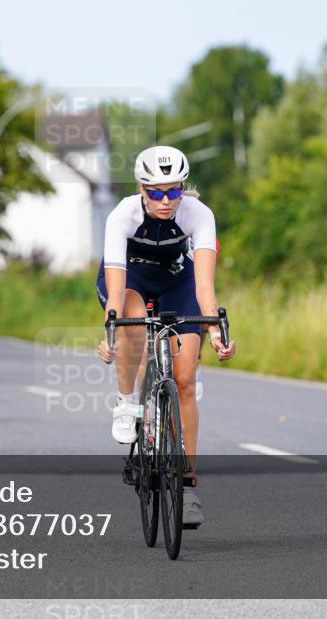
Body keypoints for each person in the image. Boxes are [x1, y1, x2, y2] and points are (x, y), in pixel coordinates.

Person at [95, 145, 236, 528]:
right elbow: (116, 283)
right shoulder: (122, 215)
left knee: (186, 378)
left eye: (173, 190)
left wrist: (214, 330)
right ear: (142, 189)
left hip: (178, 282)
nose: (165, 200)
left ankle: (187, 483)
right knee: (134, 321)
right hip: (132, 282)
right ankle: (127, 403)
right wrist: (111, 327)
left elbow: (205, 286)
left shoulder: (198, 214)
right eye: (156, 192)